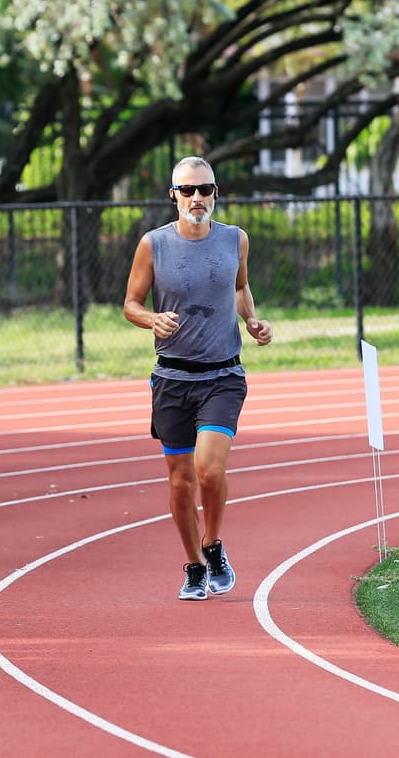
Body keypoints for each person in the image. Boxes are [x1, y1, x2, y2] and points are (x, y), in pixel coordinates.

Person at [123, 156, 273, 601]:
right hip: (172, 377)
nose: (196, 198)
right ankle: (193, 565)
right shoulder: (154, 245)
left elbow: (241, 286)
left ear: (215, 193)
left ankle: (213, 544)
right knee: (179, 480)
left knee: (209, 470)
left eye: (204, 189)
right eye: (186, 190)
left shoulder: (235, 240)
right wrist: (151, 319)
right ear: (173, 195)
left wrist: (252, 319)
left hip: (223, 374)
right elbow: (130, 303)